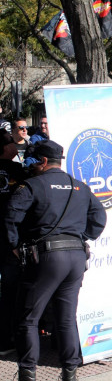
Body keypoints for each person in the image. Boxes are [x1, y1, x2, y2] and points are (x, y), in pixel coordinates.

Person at [2, 140, 107, 381]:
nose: (32, 166)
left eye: (35, 161)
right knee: (66, 319)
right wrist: (81, 237)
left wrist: (14, 246)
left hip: (46, 257)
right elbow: (99, 217)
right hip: (75, 256)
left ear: (44, 162)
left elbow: (10, 217)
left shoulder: (32, 186)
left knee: (28, 320)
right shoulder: (79, 187)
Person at [0, 129, 28, 356]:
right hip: (10, 241)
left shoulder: (18, 169)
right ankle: (7, 339)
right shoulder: (17, 171)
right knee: (11, 292)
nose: (14, 146)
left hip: (9, 240)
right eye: (10, 142)